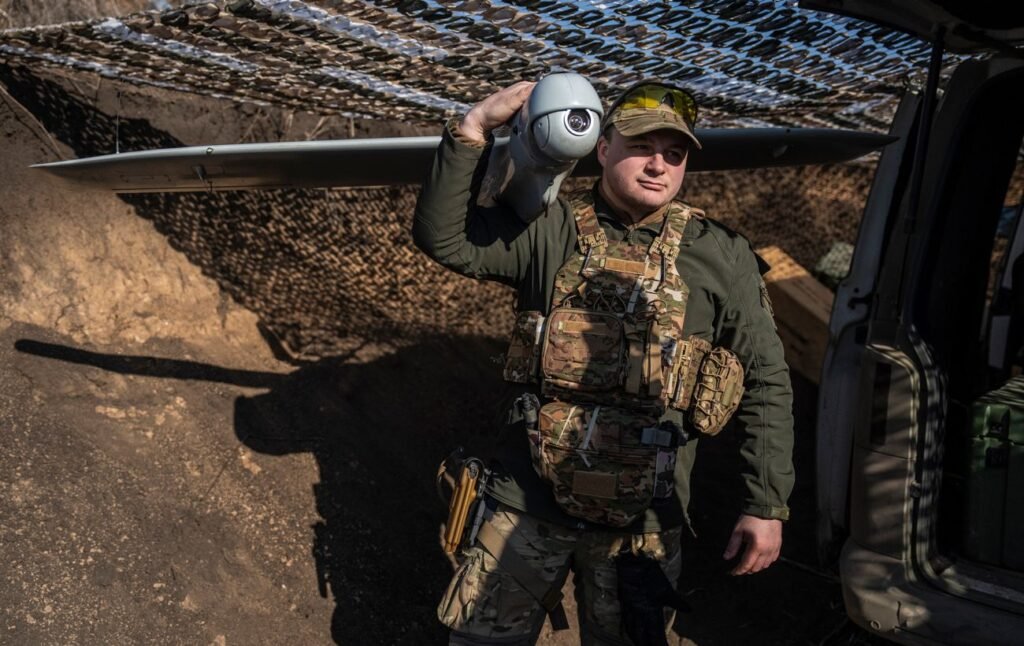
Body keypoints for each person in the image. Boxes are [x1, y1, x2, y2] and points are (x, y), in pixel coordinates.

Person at [413, 79, 794, 645]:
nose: (658, 165)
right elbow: (444, 238)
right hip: (526, 507)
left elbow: (766, 379)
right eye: (642, 147)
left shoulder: (720, 253)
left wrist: (765, 503)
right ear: (604, 147)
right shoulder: (550, 226)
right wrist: (473, 128)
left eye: (674, 153)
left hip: (644, 525)